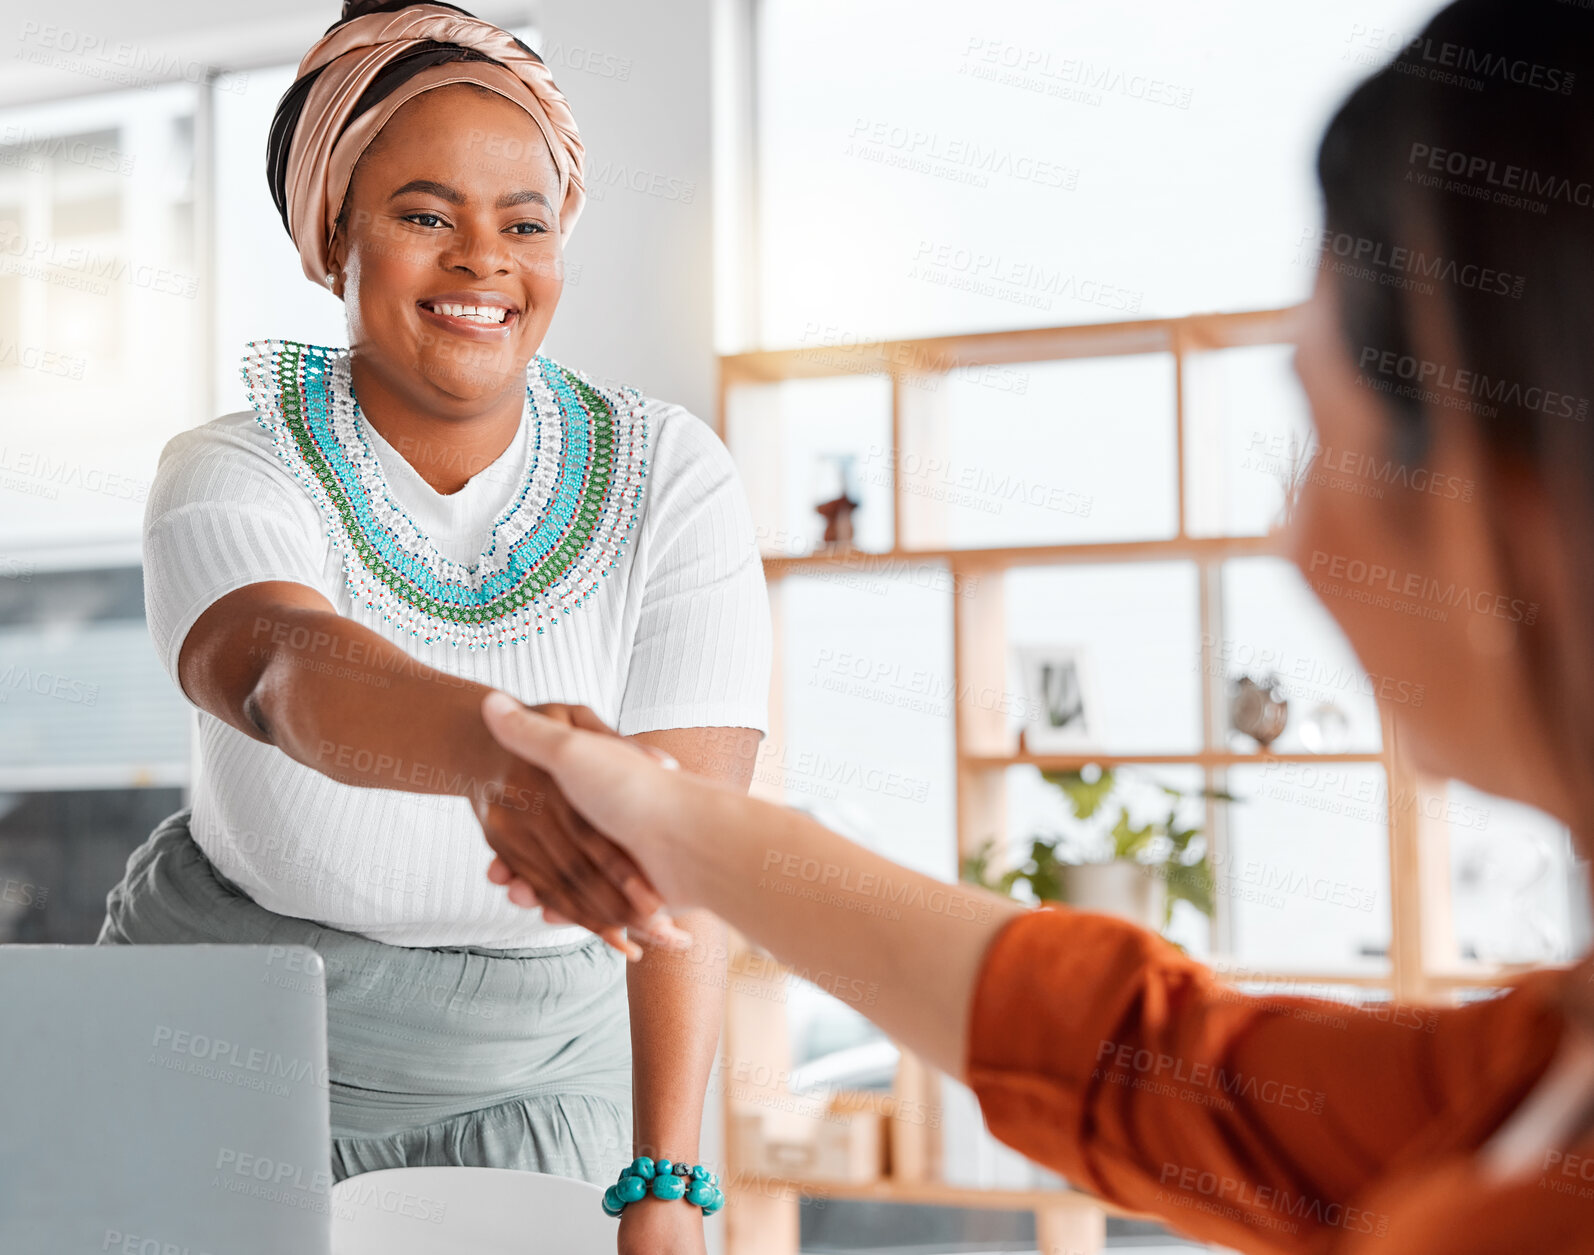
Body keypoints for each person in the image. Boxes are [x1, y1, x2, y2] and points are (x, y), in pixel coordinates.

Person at [476, 1, 1594, 1250]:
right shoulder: (1541, 1066)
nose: (1301, 545)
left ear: (1518, 497)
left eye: (1326, 443)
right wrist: (684, 827)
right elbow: (1161, 1069)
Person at [98, 2, 770, 1250]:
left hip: (539, 1070)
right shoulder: (228, 473)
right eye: (423, 215)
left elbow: (693, 855)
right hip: (222, 1041)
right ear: (329, 236)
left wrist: (669, 1183)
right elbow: (280, 669)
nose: (483, 259)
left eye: (526, 223)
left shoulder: (672, 477)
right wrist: (499, 754)